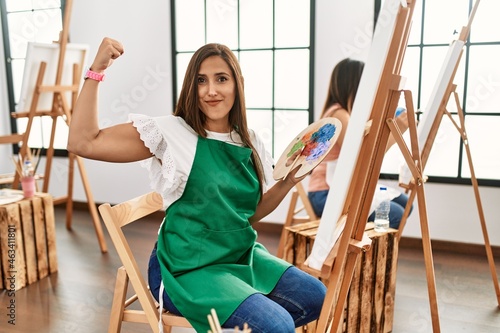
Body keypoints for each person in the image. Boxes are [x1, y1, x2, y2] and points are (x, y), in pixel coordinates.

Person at [68, 37, 326, 333]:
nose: (211, 90)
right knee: (277, 325)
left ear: (237, 84)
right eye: (201, 81)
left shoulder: (250, 139)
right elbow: (82, 142)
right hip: (186, 268)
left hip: (238, 257)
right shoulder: (172, 132)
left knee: (314, 296)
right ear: (192, 86)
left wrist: (288, 182)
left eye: (221, 79)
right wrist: (96, 70)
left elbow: (247, 215)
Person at [307, 58, 412, 229]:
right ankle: (363, 254)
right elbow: (363, 158)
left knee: (406, 204)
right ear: (354, 85)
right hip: (325, 193)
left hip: (336, 189)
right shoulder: (339, 115)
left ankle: (364, 251)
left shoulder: (341, 112)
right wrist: (396, 130)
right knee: (396, 214)